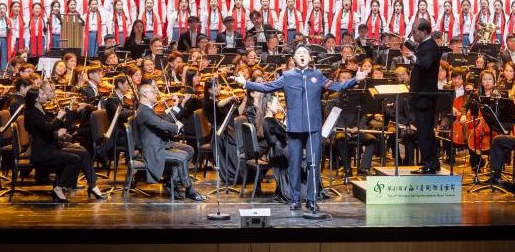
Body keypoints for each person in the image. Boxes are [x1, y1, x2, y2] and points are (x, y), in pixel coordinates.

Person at [236, 46, 364, 212]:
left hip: (313, 128)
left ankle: (311, 199)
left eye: (305, 53)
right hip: (295, 128)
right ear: (294, 59)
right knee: (294, 165)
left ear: (310, 58)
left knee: (312, 164)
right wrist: (246, 83)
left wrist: (355, 80)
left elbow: (337, 87)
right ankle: (295, 199)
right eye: (299, 53)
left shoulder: (317, 75)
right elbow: (267, 87)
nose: (302, 55)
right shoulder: (287, 76)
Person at [23, 87, 105, 202]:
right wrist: (57, 118)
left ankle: (93, 185)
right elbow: (48, 128)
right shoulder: (32, 114)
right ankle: (59, 187)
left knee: (84, 153)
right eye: (42, 94)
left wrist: (71, 110)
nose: (45, 95)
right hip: (43, 152)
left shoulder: (43, 111)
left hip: (52, 146)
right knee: (75, 159)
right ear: (36, 99)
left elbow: (65, 126)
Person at [135, 82, 205, 201]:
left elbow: (163, 121)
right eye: (153, 91)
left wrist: (177, 107)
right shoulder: (143, 111)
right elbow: (161, 124)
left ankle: (172, 182)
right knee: (182, 156)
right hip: (154, 150)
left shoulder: (147, 109)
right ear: (145, 94)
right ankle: (189, 189)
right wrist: (176, 127)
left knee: (189, 150)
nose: (156, 93)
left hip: (160, 143)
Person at [405, 18, 443, 174]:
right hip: (421, 97)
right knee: (427, 132)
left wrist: (413, 58)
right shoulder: (425, 44)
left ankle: (428, 164)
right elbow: (418, 50)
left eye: (414, 32)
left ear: (424, 32)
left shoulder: (430, 46)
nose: (413, 34)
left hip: (425, 97)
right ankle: (434, 163)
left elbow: (426, 63)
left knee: (424, 133)